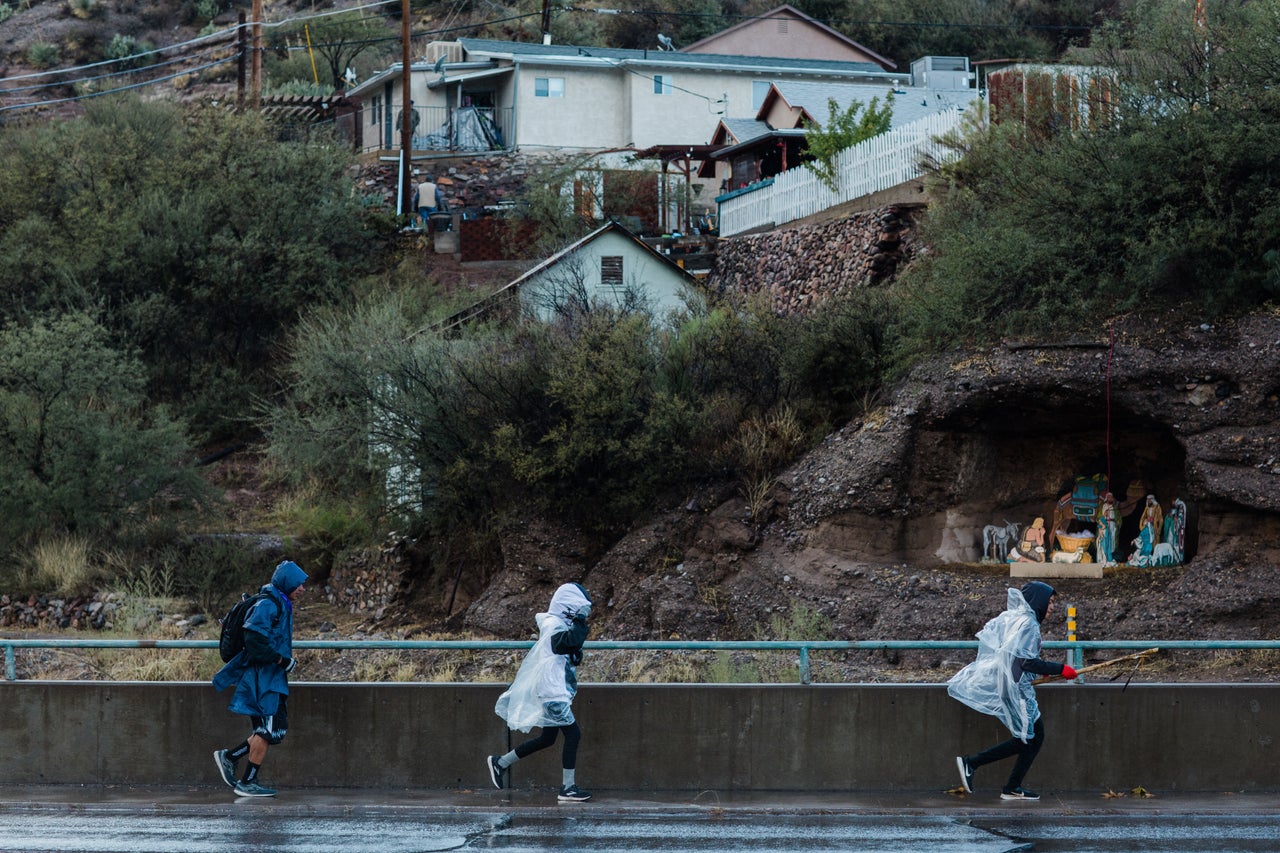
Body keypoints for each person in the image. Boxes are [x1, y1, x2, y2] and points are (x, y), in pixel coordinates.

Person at [947, 581, 1077, 801]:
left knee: (1033, 737)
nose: (1052, 607)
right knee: (1027, 739)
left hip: (1013, 686)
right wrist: (1060, 669)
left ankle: (1013, 787)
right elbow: (1025, 661)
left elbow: (1019, 658)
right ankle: (973, 763)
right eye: (1050, 602)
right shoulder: (1029, 625)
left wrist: (1042, 672)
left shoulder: (1020, 620)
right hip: (1017, 691)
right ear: (1039, 601)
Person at [487, 582, 593, 802]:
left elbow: (566, 649)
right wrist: (580, 622)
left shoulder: (557, 623)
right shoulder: (554, 624)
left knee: (547, 738)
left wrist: (575, 649)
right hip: (552, 690)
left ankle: (500, 762)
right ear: (570, 606)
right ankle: (568, 788)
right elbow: (562, 645)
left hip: (553, 688)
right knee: (573, 734)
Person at [212, 559, 309, 798]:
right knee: (266, 731)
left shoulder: (281, 602)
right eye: (298, 584)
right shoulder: (268, 604)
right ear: (287, 583)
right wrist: (282, 661)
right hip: (262, 679)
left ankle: (230, 757)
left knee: (273, 731)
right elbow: (255, 640)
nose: (302, 589)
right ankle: (247, 781)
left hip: (271, 679)